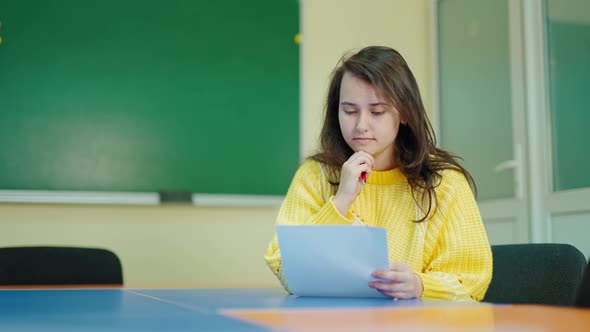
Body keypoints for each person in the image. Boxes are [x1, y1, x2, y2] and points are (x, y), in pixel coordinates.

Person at [264, 46, 492, 301]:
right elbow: (284, 266)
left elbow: (473, 281)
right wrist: (340, 203)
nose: (361, 125)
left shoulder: (445, 183)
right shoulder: (314, 175)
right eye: (349, 111)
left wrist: (421, 286)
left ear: (404, 112)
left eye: (377, 111)